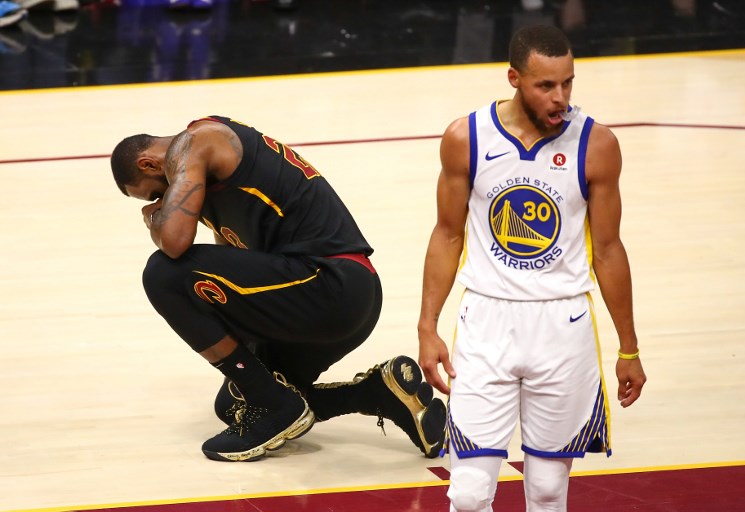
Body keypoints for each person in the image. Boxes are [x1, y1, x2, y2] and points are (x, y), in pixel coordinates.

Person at [110, 115, 446, 462]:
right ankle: (375, 394)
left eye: (155, 194)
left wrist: (154, 222)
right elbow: (230, 269)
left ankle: (273, 403)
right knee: (234, 402)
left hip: (329, 284)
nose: (161, 202)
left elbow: (175, 241)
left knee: (163, 273)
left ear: (148, 163)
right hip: (335, 296)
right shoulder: (210, 189)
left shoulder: (198, 141)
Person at [417, 25, 646, 511]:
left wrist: (629, 346)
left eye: (568, 82)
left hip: (562, 326)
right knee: (469, 492)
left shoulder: (597, 144)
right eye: (546, 85)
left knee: (545, 491)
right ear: (514, 78)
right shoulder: (467, 137)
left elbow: (608, 250)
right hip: (486, 321)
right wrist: (427, 325)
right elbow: (447, 234)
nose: (560, 97)